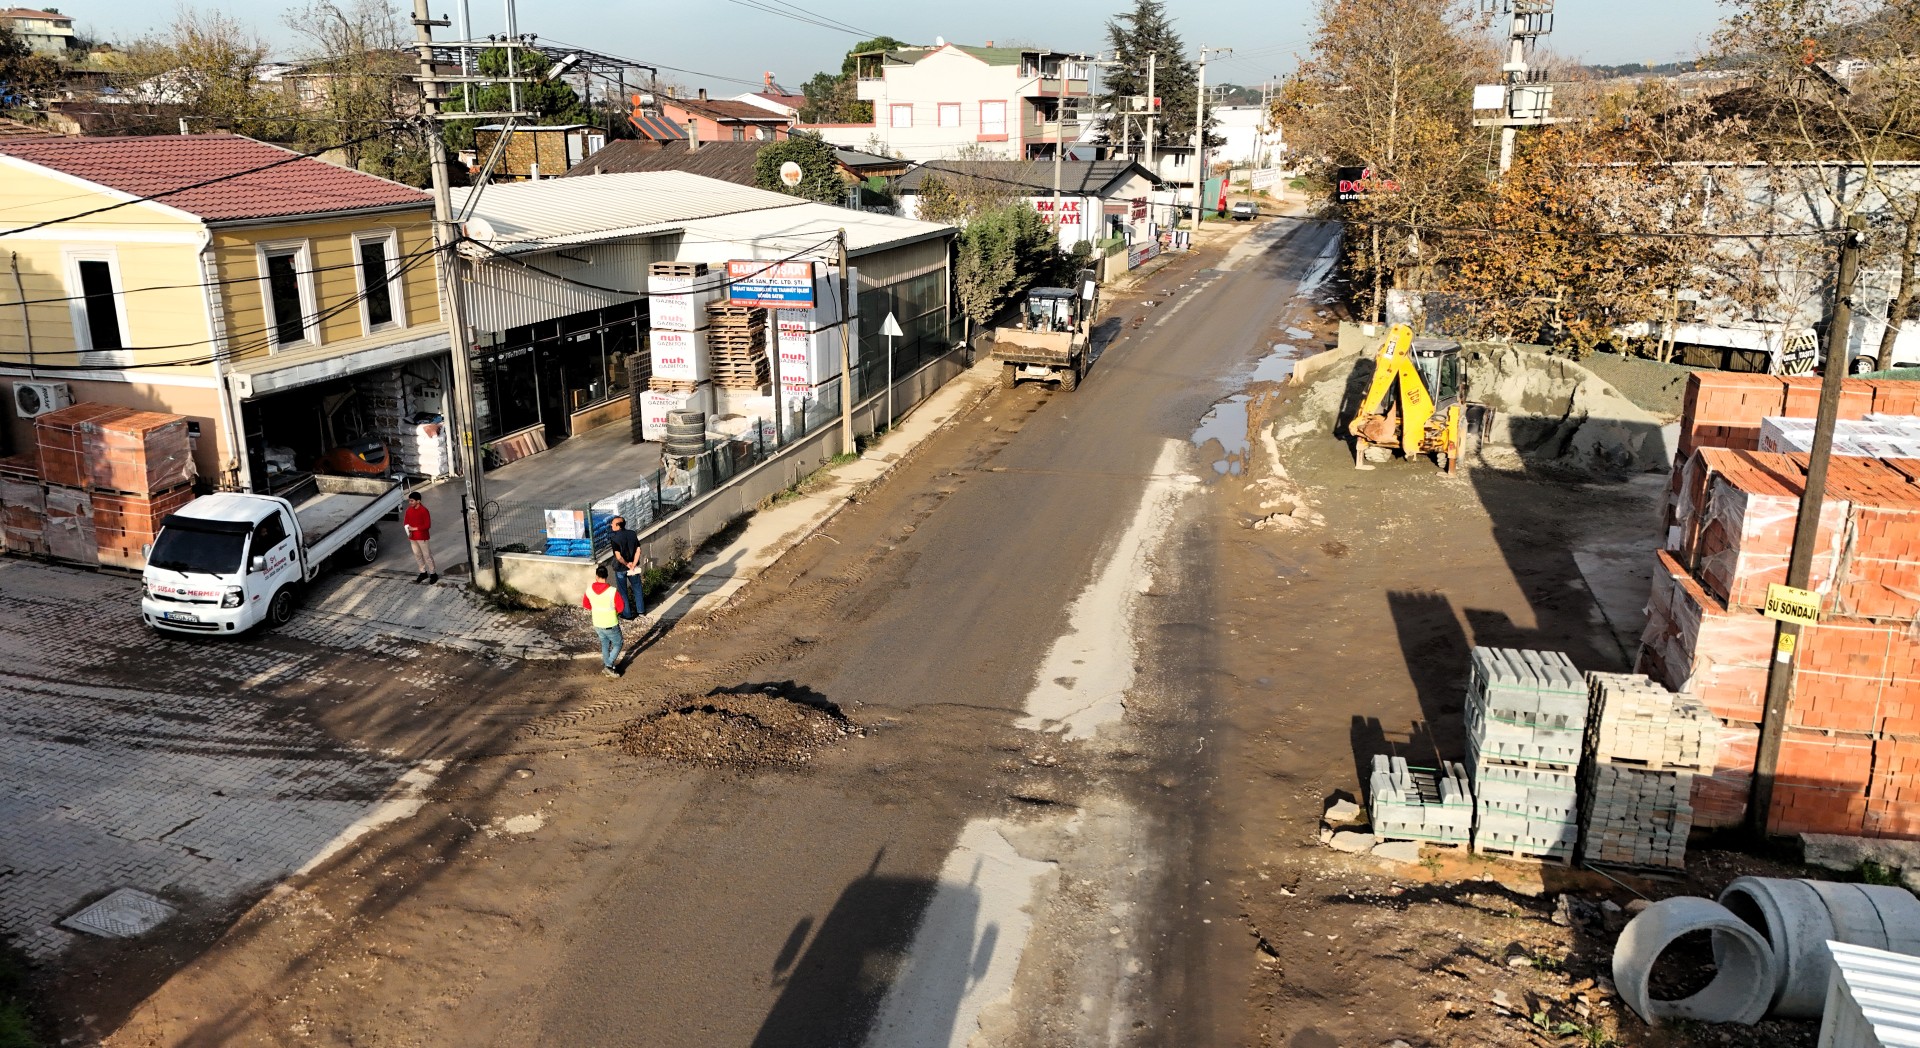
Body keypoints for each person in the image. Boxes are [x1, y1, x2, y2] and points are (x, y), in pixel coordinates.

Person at [582, 564, 626, 678]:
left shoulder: (589, 590)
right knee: (618, 643)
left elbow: (586, 604)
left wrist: (596, 609)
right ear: (607, 576)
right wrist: (615, 612)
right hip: (610, 623)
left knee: (605, 644)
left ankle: (608, 666)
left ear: (596, 576)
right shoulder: (612, 591)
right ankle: (608, 665)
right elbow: (621, 607)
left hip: (597, 623)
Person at [606, 515, 645, 621]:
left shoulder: (614, 539)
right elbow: (638, 550)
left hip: (621, 568)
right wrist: (633, 564)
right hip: (633, 567)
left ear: (618, 525)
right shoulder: (632, 534)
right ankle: (641, 611)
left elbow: (618, 556)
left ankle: (627, 614)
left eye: (613, 524)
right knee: (637, 587)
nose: (611, 525)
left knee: (623, 591)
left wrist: (627, 564)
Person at [403, 491, 437, 583]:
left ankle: (433, 573)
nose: (410, 503)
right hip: (412, 538)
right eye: (409, 501)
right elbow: (406, 522)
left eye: (412, 501)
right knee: (417, 555)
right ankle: (423, 572)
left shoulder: (424, 510)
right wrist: (408, 529)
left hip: (422, 537)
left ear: (418, 501)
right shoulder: (408, 510)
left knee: (427, 556)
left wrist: (414, 528)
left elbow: (427, 525)